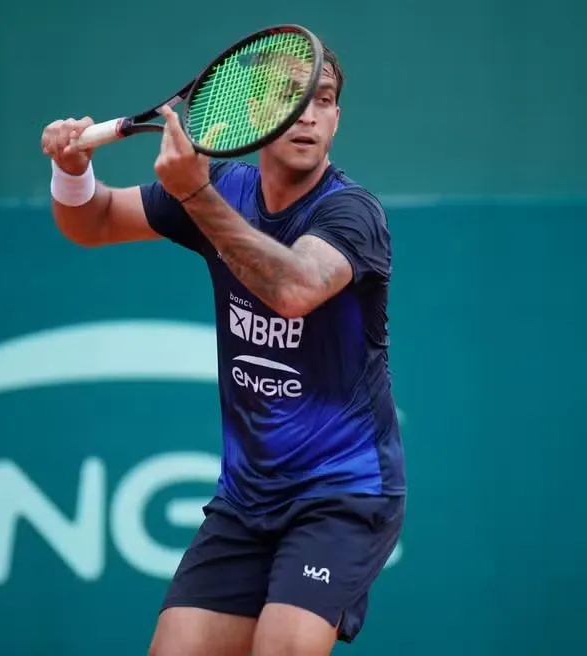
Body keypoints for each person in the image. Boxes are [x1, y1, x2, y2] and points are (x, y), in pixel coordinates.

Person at [41, 43, 405, 656]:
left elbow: (295, 289)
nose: (312, 116)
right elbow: (94, 221)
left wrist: (194, 196)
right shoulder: (224, 188)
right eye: (294, 99)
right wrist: (71, 170)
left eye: (325, 101)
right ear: (254, 113)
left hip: (342, 492)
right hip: (247, 497)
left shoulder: (352, 213)